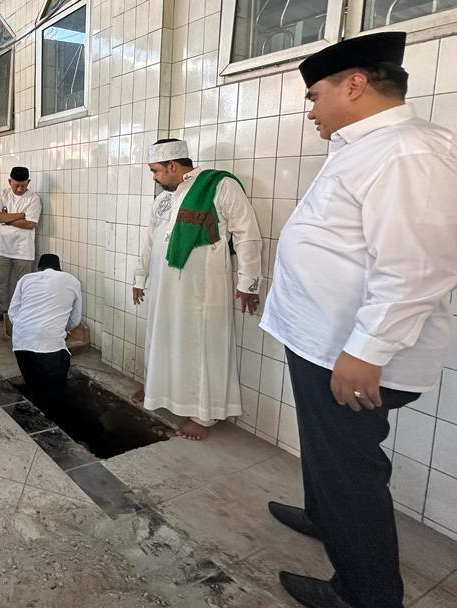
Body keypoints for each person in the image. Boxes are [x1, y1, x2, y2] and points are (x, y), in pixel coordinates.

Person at [260, 32, 457, 608]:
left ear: (355, 83)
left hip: (351, 352)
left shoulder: (408, 152)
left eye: (315, 95)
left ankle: (365, 594)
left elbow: (417, 266)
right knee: (328, 455)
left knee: (351, 471)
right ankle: (324, 517)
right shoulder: (363, 146)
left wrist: (366, 351)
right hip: (322, 340)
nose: (311, 109)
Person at [132, 138, 261, 441]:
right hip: (165, 289)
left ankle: (203, 415)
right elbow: (150, 242)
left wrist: (248, 283)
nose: (154, 177)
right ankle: (157, 388)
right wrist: (140, 278)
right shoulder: (164, 199)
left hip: (202, 290)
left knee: (201, 345)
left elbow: (247, 234)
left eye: (156, 171)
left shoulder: (219, 186)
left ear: (173, 165)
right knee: (162, 337)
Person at [9, 254, 82, 407]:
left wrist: (26, 328)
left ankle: (35, 411)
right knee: (55, 390)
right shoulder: (72, 281)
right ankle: (54, 416)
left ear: (39, 268)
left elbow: (13, 312)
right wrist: (59, 330)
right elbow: (75, 319)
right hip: (50, 346)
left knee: (33, 384)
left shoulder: (26, 279)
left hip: (21, 342)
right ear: (59, 269)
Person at [0, 166, 41, 324]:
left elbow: (30, 224)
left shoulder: (33, 198)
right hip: (2, 247)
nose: (19, 189)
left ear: (28, 182)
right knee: (0, 280)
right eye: (16, 185)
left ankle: (22, 314)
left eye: (23, 185)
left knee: (23, 283)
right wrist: (19, 215)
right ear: (9, 181)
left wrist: (5, 218)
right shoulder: (2, 194)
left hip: (24, 249)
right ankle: (3, 310)